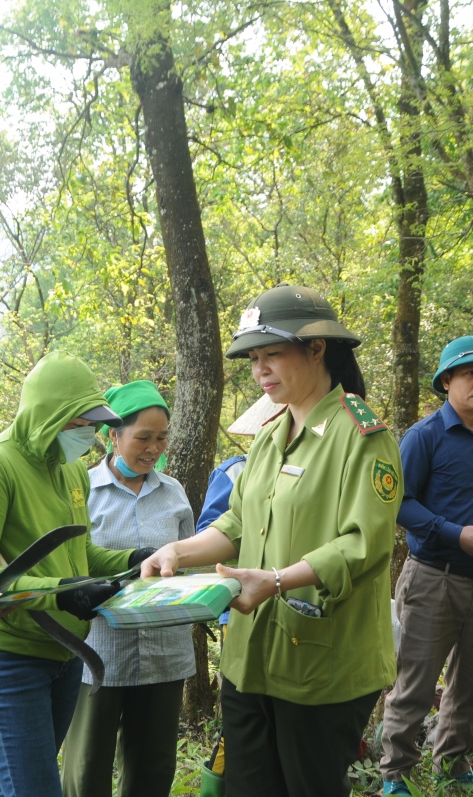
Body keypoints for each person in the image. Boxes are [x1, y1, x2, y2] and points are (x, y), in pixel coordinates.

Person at [140, 285, 401, 797]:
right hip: (249, 660)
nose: (260, 369)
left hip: (321, 665)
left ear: (317, 348)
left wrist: (279, 580)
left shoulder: (362, 434)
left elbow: (364, 544)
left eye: (273, 354)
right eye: (254, 358)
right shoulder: (268, 436)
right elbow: (236, 525)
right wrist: (177, 551)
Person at [0, 352, 155, 797]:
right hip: (4, 657)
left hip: (62, 655)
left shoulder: (69, 470)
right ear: (49, 414)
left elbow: (79, 558)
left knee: (16, 788)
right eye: (79, 423)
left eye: (91, 424)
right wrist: (59, 594)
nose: (88, 435)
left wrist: (135, 559)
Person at [379, 336, 473, 795]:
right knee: (415, 681)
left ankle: (453, 760)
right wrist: (452, 531)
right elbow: (397, 503)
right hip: (433, 578)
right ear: (447, 382)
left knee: (471, 680)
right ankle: (395, 772)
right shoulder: (423, 437)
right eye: (470, 374)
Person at [60, 380, 196, 797]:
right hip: (99, 653)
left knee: (153, 769)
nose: (154, 448)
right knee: (87, 770)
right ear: (112, 436)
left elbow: (189, 561)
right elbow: (68, 565)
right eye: (143, 437)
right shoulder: (80, 491)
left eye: (161, 438)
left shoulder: (173, 493)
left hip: (164, 653)